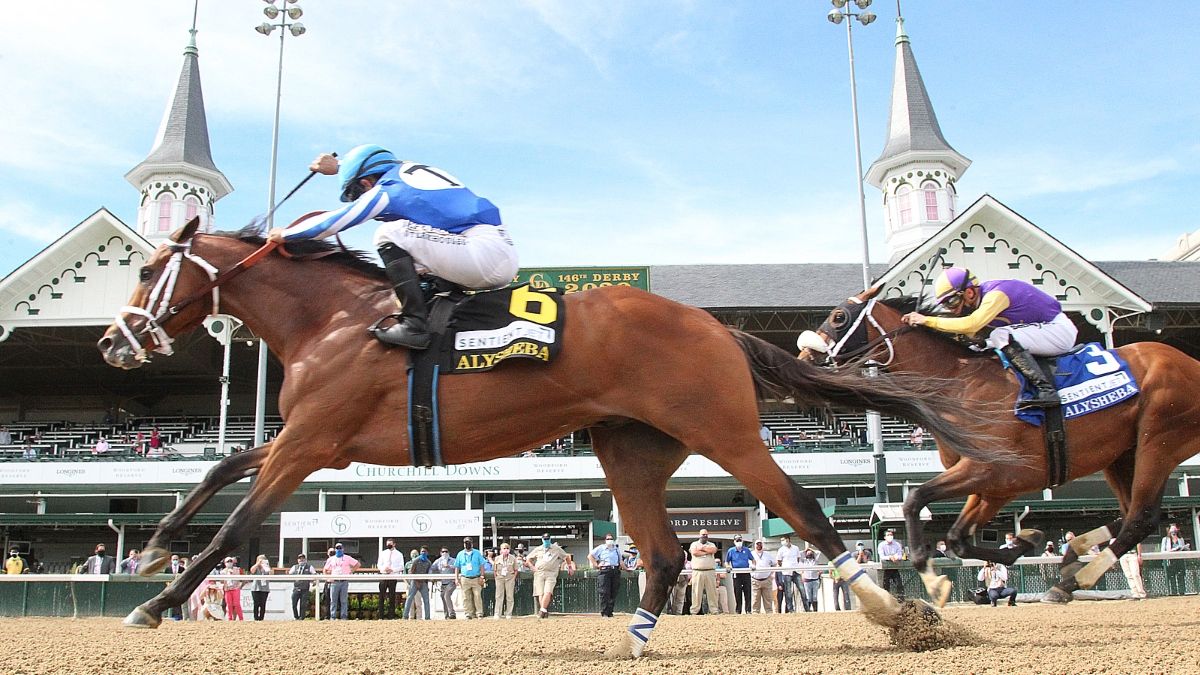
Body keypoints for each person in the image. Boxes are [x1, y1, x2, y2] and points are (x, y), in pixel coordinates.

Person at [268, 146, 519, 349]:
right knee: (412, 244)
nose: (361, 196)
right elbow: (376, 160)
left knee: (390, 232)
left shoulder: (388, 190)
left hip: (479, 255)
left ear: (367, 183)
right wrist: (341, 166)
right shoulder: (407, 171)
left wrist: (286, 234)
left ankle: (414, 325)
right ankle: (439, 296)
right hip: (495, 249)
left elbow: (334, 223)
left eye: (358, 192)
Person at [901, 267, 1078, 408]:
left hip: (1058, 331)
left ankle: (1046, 390)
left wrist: (926, 320)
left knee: (1000, 335)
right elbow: (969, 332)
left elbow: (970, 324)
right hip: (1042, 329)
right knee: (981, 345)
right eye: (946, 305)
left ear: (969, 293)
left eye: (952, 302)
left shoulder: (996, 294)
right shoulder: (980, 301)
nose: (951, 310)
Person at [525, 532, 573, 619]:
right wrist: (532, 567)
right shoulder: (538, 549)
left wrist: (570, 567)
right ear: (542, 540)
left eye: (548, 539)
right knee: (540, 593)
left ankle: (542, 610)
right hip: (539, 572)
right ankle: (544, 611)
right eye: (545, 539)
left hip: (551, 573)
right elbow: (528, 559)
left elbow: (566, 557)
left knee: (548, 591)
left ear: (550, 539)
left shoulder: (557, 549)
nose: (546, 541)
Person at [588, 534, 622, 618]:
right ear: (605, 540)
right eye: (608, 539)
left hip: (615, 570)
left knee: (613, 592)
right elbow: (590, 556)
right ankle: (604, 612)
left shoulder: (616, 549)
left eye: (611, 538)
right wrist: (596, 564)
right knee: (604, 591)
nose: (610, 540)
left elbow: (620, 561)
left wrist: (627, 568)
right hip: (604, 570)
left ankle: (610, 612)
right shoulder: (601, 548)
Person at [324, 543, 360, 620]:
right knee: (333, 601)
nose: (339, 549)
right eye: (337, 548)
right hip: (334, 582)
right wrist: (327, 578)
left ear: (343, 549)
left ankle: (344, 616)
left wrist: (351, 571)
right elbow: (325, 569)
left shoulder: (347, 558)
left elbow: (357, 564)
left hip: (344, 581)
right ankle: (332, 617)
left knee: (343, 600)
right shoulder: (331, 559)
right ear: (335, 549)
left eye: (340, 548)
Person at [688, 529, 720, 615]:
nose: (704, 536)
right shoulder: (694, 544)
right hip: (697, 572)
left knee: (712, 592)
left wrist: (702, 549)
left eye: (706, 535)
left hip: (710, 571)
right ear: (699, 535)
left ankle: (714, 611)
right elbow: (695, 552)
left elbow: (713, 550)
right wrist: (706, 552)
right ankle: (694, 611)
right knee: (696, 592)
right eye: (703, 534)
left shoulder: (712, 544)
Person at [455, 537, 487, 619]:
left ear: (472, 543)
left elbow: (482, 565)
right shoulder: (460, 554)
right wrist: (456, 578)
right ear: (464, 544)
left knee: (477, 596)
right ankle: (468, 614)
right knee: (466, 597)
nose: (467, 544)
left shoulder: (477, 553)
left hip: (476, 578)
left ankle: (479, 613)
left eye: (469, 543)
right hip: (464, 578)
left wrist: (482, 576)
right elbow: (457, 567)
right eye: (466, 543)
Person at [724, 535, 754, 614]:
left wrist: (753, 565)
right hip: (736, 574)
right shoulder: (731, 550)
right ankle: (738, 610)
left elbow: (753, 560)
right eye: (737, 541)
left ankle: (748, 610)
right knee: (737, 592)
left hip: (746, 573)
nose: (739, 542)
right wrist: (728, 566)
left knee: (747, 592)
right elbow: (726, 561)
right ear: (734, 542)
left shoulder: (746, 550)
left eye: (740, 540)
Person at [377, 538, 405, 620]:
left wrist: (392, 569)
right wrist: (384, 569)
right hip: (384, 576)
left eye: (390, 544)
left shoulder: (399, 554)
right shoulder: (383, 553)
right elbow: (379, 565)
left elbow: (401, 566)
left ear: (394, 544)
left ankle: (391, 616)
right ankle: (381, 616)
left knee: (392, 596)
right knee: (381, 596)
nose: (389, 545)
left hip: (393, 576)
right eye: (387, 544)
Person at [491, 542, 519, 619]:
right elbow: (495, 570)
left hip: (510, 578)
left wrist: (513, 578)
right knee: (499, 596)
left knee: (510, 596)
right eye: (504, 548)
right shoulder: (497, 558)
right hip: (500, 578)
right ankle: (497, 613)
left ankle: (509, 613)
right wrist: (496, 577)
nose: (506, 550)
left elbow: (516, 569)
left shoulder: (513, 558)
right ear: (501, 550)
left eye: (507, 548)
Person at [404, 546, 433, 620]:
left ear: (427, 553)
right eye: (422, 551)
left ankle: (427, 617)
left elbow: (427, 573)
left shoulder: (428, 562)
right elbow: (411, 571)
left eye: (425, 551)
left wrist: (426, 584)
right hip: (414, 582)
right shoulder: (416, 560)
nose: (423, 553)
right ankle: (405, 616)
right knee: (409, 599)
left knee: (426, 600)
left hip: (423, 583)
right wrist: (415, 581)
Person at [775, 535, 801, 613]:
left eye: (783, 540)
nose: (782, 542)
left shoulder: (795, 548)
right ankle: (779, 612)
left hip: (792, 573)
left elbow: (798, 559)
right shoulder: (780, 551)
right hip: (781, 581)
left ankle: (789, 610)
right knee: (781, 598)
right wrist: (778, 584)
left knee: (790, 594)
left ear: (788, 540)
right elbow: (777, 573)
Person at [430, 547, 457, 619]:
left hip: (451, 582)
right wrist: (432, 577)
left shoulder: (453, 560)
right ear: (440, 553)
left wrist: (449, 566)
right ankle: (447, 615)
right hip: (443, 583)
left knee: (446, 595)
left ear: (449, 552)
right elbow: (431, 568)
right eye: (443, 551)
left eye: (446, 551)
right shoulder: (438, 561)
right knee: (443, 596)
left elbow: (458, 567)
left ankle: (452, 613)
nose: (444, 553)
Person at [749, 539, 775, 613]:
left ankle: (769, 613)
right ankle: (755, 613)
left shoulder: (768, 554)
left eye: (760, 544)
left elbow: (774, 563)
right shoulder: (751, 554)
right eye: (757, 544)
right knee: (755, 599)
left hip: (767, 580)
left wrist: (771, 573)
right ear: (755, 545)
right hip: (755, 580)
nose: (759, 545)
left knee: (768, 599)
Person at [878, 529, 905, 600]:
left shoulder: (897, 544)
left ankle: (901, 600)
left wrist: (896, 558)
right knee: (886, 586)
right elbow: (882, 557)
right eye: (888, 535)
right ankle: (886, 600)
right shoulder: (881, 545)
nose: (890, 536)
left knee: (899, 584)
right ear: (885, 537)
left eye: (891, 535)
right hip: (885, 568)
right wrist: (890, 557)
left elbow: (900, 555)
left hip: (894, 567)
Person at [288, 553, 316, 620]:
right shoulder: (294, 567)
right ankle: (296, 617)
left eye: (303, 558)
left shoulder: (310, 567)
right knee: (294, 604)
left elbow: (314, 574)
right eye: (300, 558)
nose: (301, 560)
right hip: (296, 588)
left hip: (305, 589)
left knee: (303, 605)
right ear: (297, 560)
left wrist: (314, 580)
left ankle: (302, 618)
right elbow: (289, 574)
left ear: (305, 560)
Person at [219, 556, 245, 621]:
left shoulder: (237, 569)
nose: (229, 562)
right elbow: (221, 581)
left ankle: (241, 618)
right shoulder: (222, 572)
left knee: (237, 604)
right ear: (225, 563)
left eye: (231, 561)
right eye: (228, 561)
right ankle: (229, 618)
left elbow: (243, 578)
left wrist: (241, 586)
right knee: (229, 605)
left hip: (236, 588)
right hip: (227, 589)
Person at [250, 554, 272, 621]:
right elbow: (252, 570)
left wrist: (266, 566)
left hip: (264, 589)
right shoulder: (256, 567)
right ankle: (256, 618)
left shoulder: (267, 568)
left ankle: (261, 618)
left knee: (263, 604)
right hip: (256, 588)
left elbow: (271, 573)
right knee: (256, 604)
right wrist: (257, 564)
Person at [801, 547, 822, 612]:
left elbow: (819, 552)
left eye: (810, 553)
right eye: (808, 553)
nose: (809, 554)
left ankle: (815, 610)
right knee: (808, 596)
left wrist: (811, 549)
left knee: (815, 596)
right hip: (807, 580)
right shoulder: (804, 560)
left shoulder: (815, 560)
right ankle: (808, 610)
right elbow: (799, 553)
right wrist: (805, 550)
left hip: (815, 580)